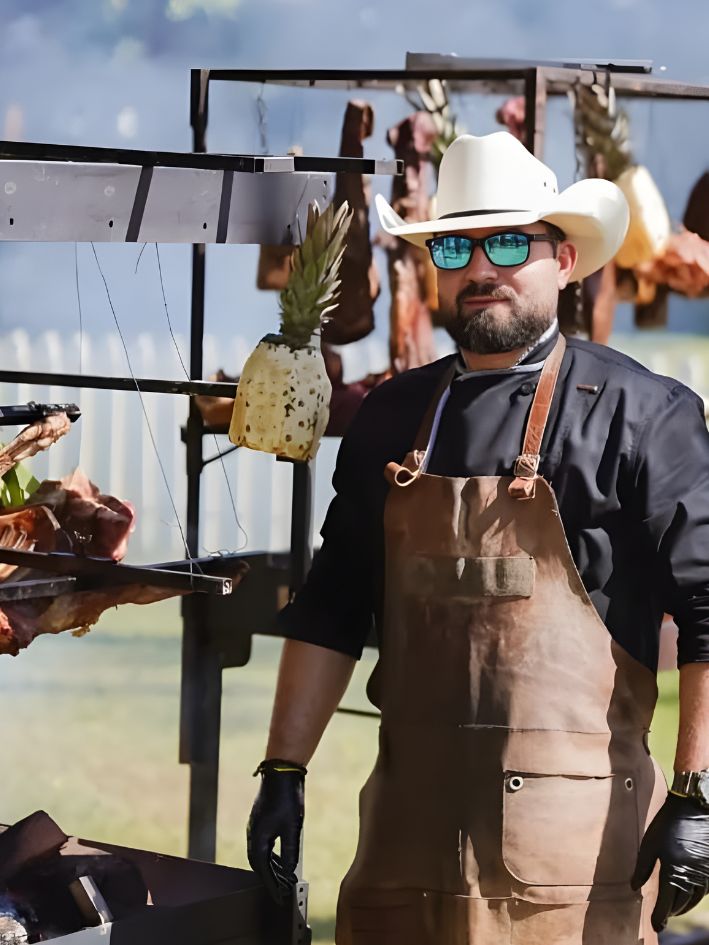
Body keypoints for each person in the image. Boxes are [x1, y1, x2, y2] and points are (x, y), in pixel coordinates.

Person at [247, 132, 709, 944]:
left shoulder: (643, 414)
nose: (481, 268)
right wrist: (283, 768)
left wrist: (694, 793)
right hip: (404, 852)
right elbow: (332, 607)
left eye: (508, 243)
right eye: (456, 246)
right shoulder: (391, 416)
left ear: (565, 260)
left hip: (574, 868)